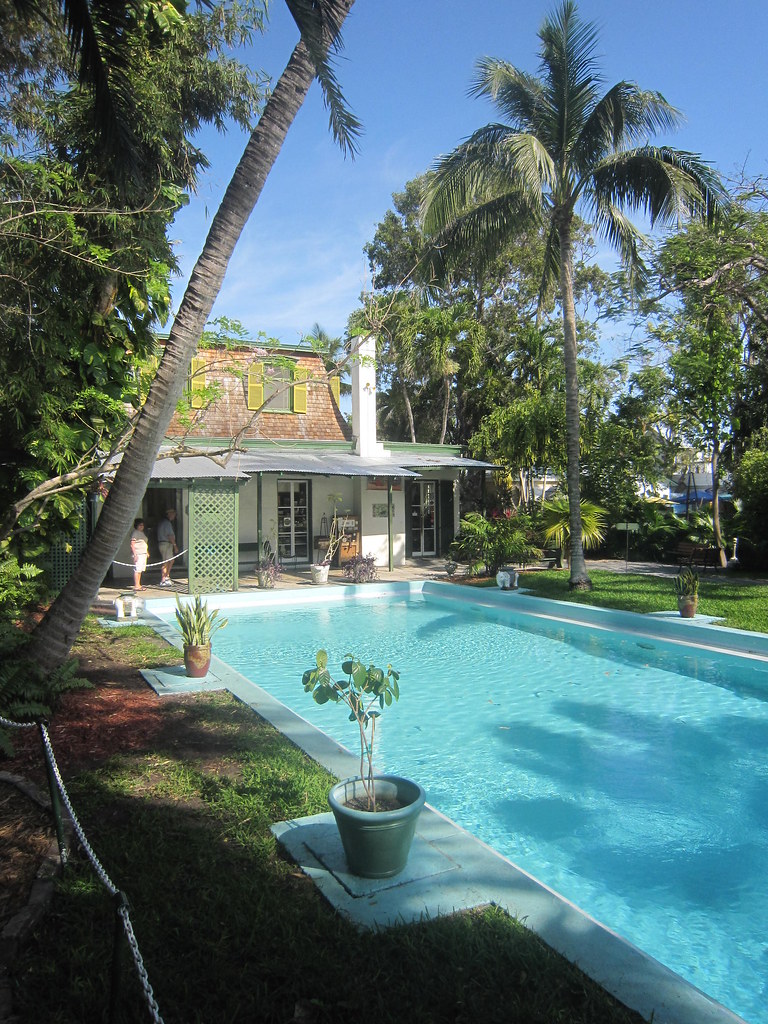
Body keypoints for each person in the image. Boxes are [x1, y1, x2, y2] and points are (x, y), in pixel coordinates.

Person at [157, 508, 178, 587]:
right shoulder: (166, 523)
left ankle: (167, 576)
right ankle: (164, 579)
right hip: (166, 544)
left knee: (170, 560)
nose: (174, 516)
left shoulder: (163, 522)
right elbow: (170, 536)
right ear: (169, 514)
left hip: (164, 544)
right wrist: (175, 546)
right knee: (166, 562)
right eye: (173, 514)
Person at [130, 518, 149, 591]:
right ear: (136, 525)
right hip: (138, 553)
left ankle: (139, 584)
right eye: (140, 525)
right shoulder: (135, 533)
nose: (142, 526)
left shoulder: (142, 533)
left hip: (143, 553)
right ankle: (136, 585)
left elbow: (144, 543)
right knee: (137, 569)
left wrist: (146, 552)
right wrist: (135, 554)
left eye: (143, 525)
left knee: (140, 570)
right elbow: (132, 544)